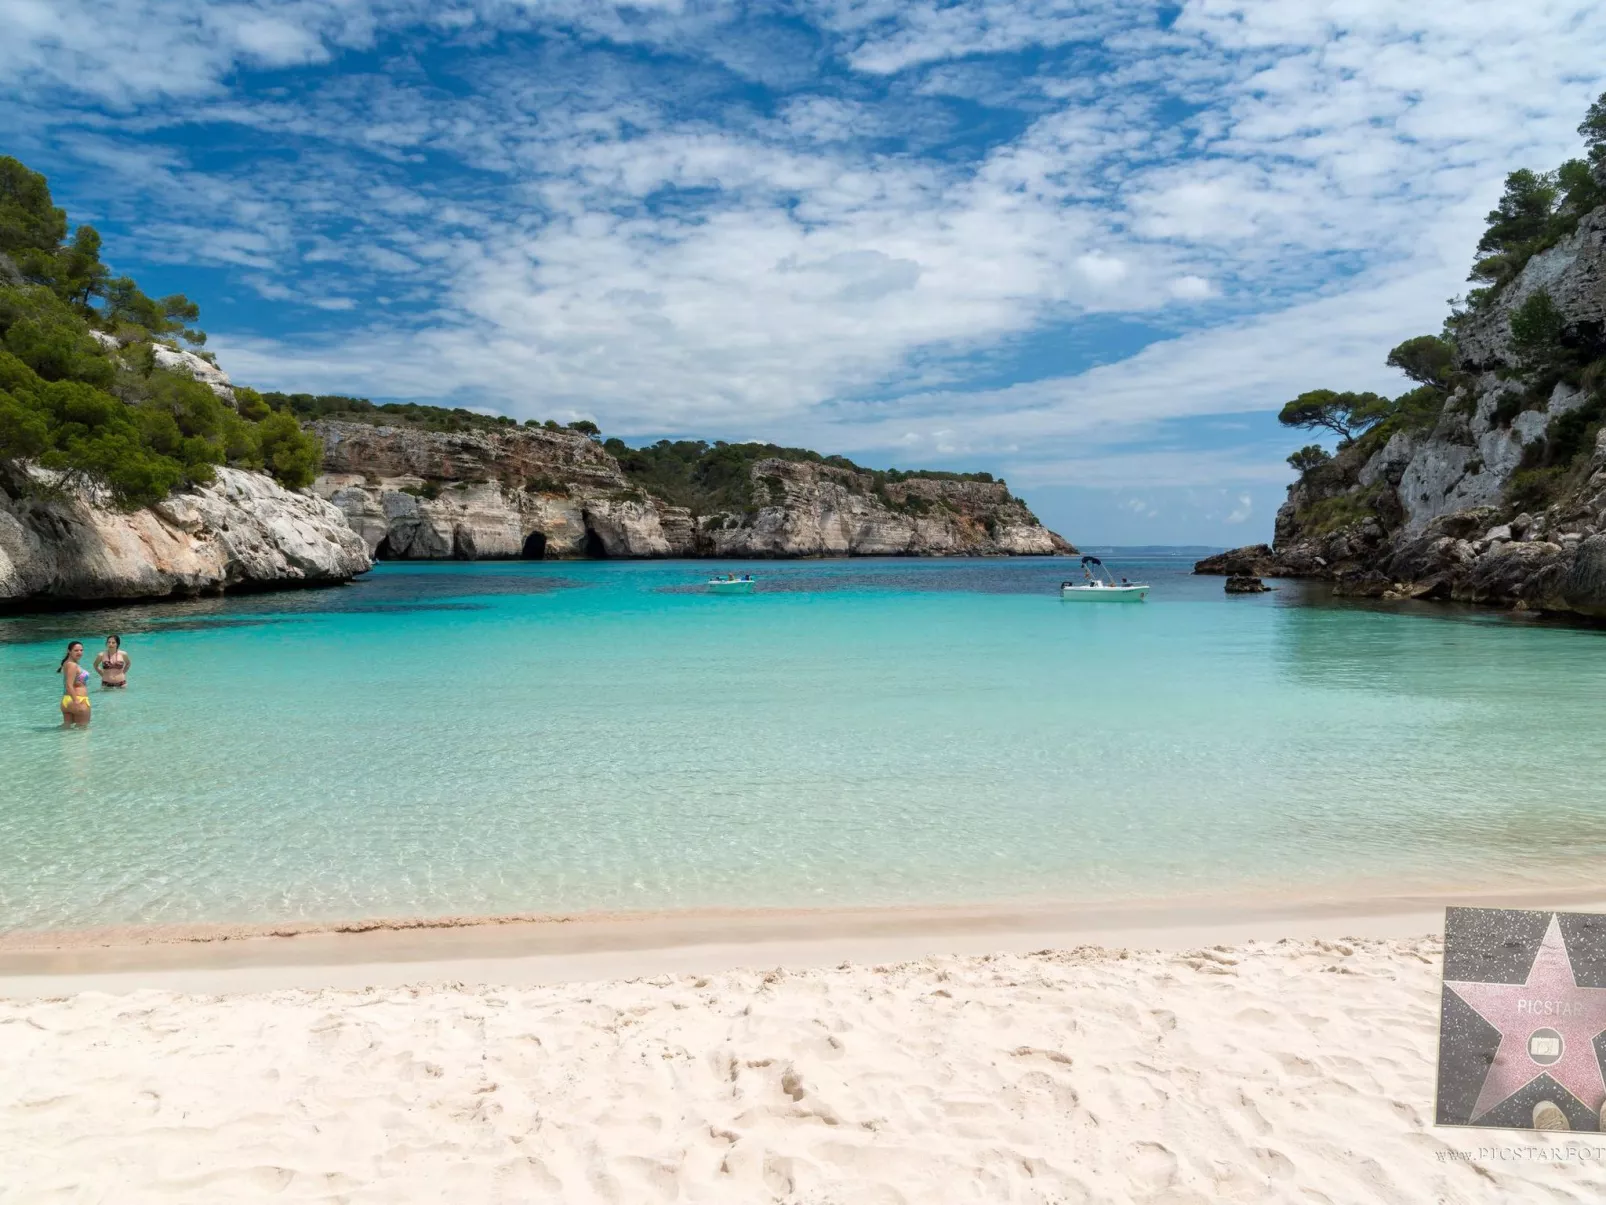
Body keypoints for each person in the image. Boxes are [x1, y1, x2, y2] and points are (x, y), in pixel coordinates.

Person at [58, 641, 91, 727]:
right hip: (78, 699)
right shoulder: (72, 665)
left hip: (66, 701)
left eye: (81, 650)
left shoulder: (67, 663)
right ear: (69, 651)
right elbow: (69, 685)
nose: (79, 652)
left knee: (67, 731)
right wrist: (77, 702)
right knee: (83, 731)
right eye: (76, 650)